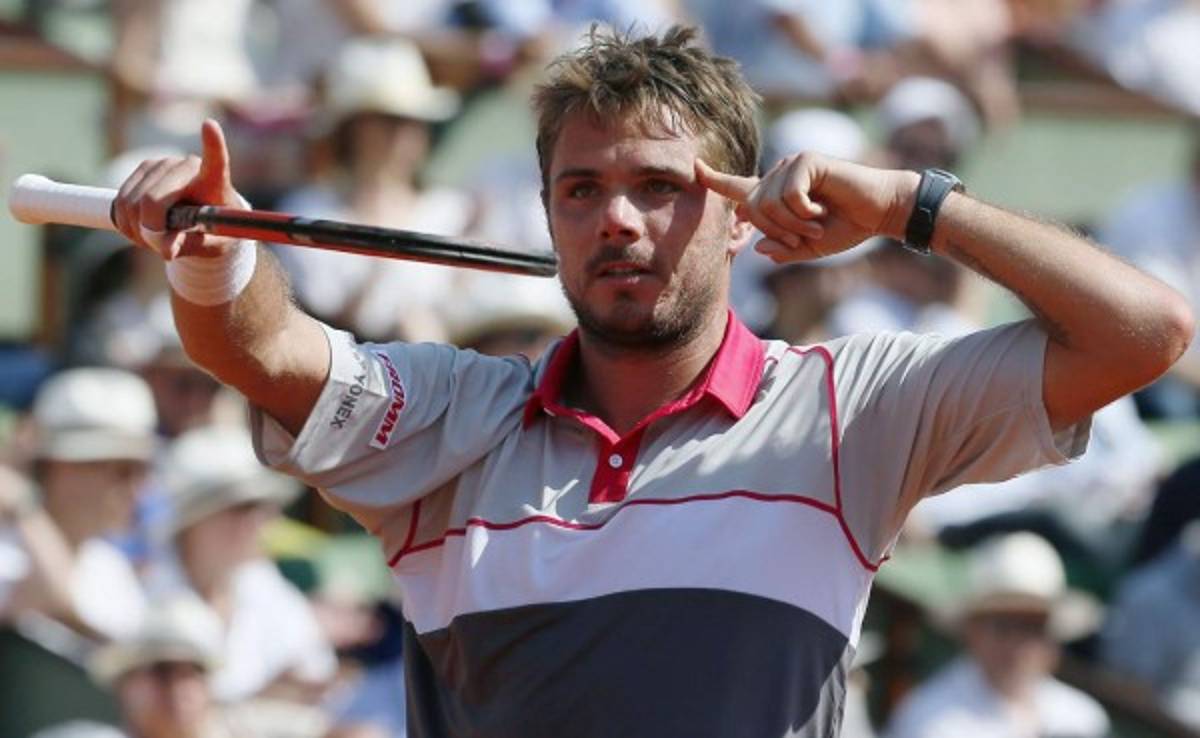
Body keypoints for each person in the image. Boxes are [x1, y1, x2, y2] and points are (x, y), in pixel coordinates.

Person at [110, 24, 1192, 738]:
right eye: (581, 190)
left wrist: (913, 205)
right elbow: (264, 351)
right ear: (548, 217)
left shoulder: (849, 405)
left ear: (740, 215)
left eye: (661, 186)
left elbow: (1147, 332)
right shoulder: (456, 414)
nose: (618, 220)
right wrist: (214, 258)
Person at [152, 425, 336, 703]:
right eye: (241, 507)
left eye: (263, 506)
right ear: (191, 523)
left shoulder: (264, 585)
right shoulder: (149, 595)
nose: (261, 519)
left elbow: (318, 677)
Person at [883, 532, 1109, 738]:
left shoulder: (1082, 718)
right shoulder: (928, 721)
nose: (1017, 643)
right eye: (1004, 627)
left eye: (1033, 628)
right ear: (973, 630)